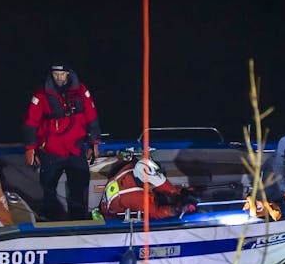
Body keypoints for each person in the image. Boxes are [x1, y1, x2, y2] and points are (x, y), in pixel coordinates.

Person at [22, 62, 101, 220]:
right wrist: (30, 147)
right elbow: (31, 122)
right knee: (48, 188)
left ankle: (77, 219)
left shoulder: (81, 91)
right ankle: (51, 219)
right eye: (55, 74)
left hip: (75, 148)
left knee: (78, 187)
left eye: (62, 74)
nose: (59, 77)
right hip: (51, 151)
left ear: (69, 74)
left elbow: (91, 115)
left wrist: (94, 141)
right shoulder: (41, 95)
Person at [98, 157, 196, 220]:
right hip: (113, 216)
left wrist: (177, 194)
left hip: (115, 196)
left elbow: (159, 181)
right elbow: (156, 213)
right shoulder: (137, 198)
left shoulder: (131, 168)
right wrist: (176, 209)